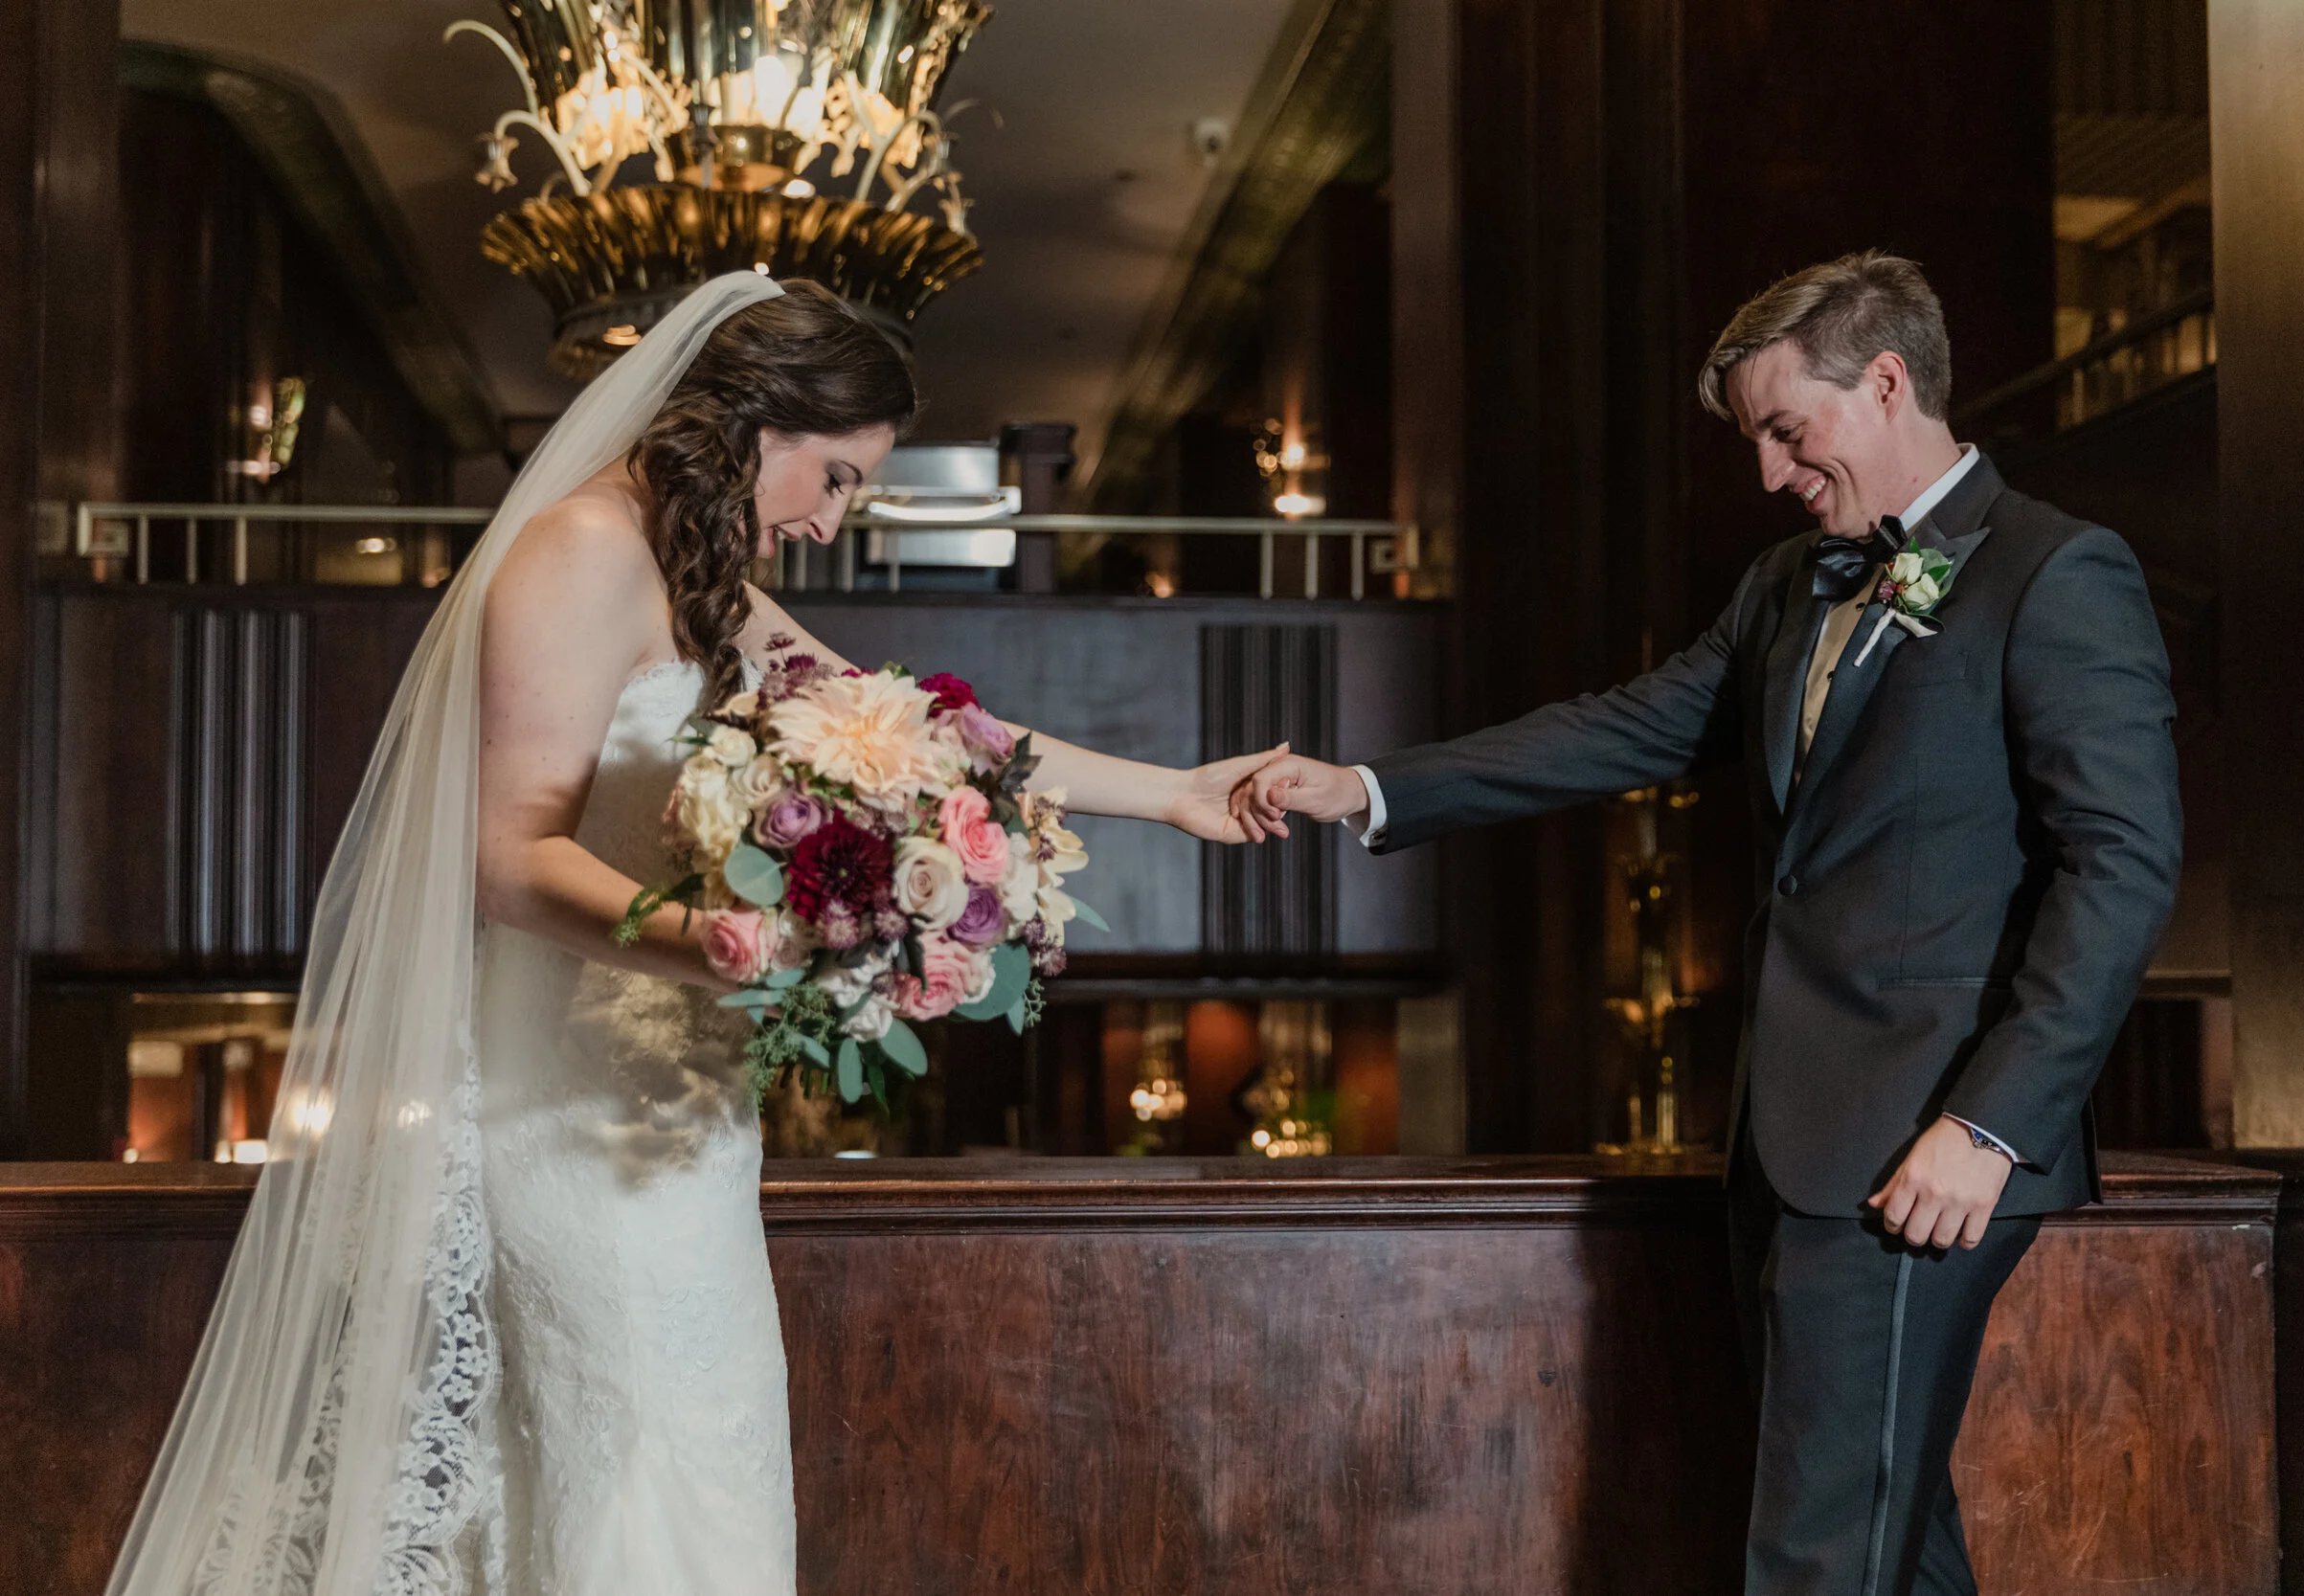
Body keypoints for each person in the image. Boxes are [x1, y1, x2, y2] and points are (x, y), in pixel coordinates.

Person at [106, 275, 1281, 1596]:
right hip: (573, 1109)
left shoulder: (693, 573)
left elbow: (930, 735)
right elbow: (507, 858)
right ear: (758, 418)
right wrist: (733, 947)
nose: (831, 521)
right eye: (835, 477)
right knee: (659, 1469)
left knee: (700, 1460)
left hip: (680, 1108)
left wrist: (1175, 794)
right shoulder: (576, 550)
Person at [1235, 251, 2180, 1594]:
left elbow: (2123, 868)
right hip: (1789, 1144)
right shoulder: (1787, 583)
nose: (1771, 473)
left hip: (1928, 1144)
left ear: (1888, 381)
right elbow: (1620, 729)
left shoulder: (2057, 572)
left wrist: (1990, 1126)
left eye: (1787, 431)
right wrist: (1369, 788)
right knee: (1888, 1544)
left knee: (1818, 1554)